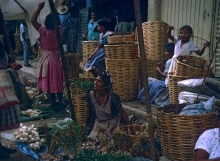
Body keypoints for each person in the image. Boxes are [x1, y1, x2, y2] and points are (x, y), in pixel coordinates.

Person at [31, 2, 65, 110]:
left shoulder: (44, 32)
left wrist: (39, 8)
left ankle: (52, 102)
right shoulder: (59, 31)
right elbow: (57, 21)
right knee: (57, 80)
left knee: (50, 81)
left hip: (46, 60)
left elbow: (33, 20)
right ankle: (60, 101)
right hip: (56, 59)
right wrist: (53, 11)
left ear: (46, 22)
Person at [85, 72, 130, 143]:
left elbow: (122, 113)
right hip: (99, 124)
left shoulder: (113, 97)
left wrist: (130, 127)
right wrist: (86, 127)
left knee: (111, 141)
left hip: (113, 123)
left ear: (105, 85)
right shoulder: (91, 96)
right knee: (93, 139)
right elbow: (88, 112)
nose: (95, 83)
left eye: (99, 81)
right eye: (95, 80)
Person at [138, 42, 175, 107]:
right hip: (168, 83)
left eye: (166, 51)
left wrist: (159, 71)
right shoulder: (174, 60)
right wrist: (162, 67)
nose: (165, 53)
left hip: (166, 85)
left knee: (149, 82)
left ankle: (147, 99)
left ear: (171, 52)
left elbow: (168, 77)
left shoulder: (169, 62)